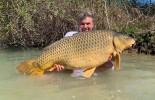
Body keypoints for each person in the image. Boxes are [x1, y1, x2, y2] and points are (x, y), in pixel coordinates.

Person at [54, 12, 114, 78]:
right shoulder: (70, 35)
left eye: (88, 24)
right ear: (78, 25)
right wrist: (57, 64)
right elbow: (60, 55)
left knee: (110, 65)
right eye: (82, 24)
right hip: (75, 73)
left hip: (93, 71)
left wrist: (110, 58)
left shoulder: (99, 37)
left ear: (92, 25)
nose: (85, 27)